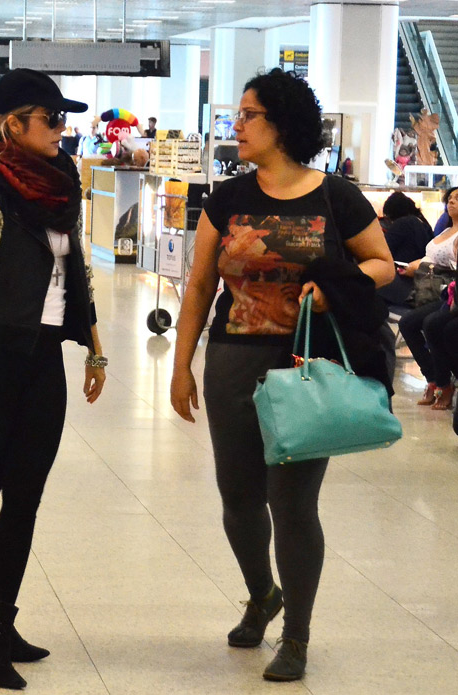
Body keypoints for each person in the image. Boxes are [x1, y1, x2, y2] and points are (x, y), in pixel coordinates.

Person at [170, 68, 394, 683]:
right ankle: (260, 592)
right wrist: (182, 368)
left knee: (292, 503)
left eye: (249, 115)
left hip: (305, 364)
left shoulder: (336, 197)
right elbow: (197, 287)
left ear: (282, 124)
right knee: (238, 500)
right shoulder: (229, 198)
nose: (237, 125)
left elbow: (382, 264)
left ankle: (296, 633)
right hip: (233, 359)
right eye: (238, 115)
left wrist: (337, 285)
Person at [0, 67, 106, 690]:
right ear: (13, 124)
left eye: (64, 120)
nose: (62, 130)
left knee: (26, 494)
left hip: (44, 358)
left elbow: (79, 271)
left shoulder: (62, 184)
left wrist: (92, 347)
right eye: (51, 119)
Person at [398, 187, 458, 410]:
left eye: (457, 199)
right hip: (429, 288)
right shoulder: (444, 231)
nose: (451, 202)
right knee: (408, 323)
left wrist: (425, 265)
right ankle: (433, 377)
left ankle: (443, 382)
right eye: (449, 198)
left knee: (428, 323)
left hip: (447, 290)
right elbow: (429, 257)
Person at [377, 191, 434, 306]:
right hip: (420, 282)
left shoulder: (402, 224)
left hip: (400, 281)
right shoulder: (424, 224)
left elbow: (383, 251)